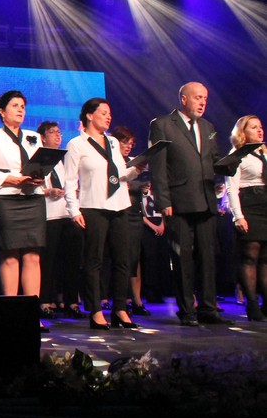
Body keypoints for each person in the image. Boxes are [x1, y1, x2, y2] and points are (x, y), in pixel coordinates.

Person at [149, 82, 233, 326]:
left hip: (205, 201)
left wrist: (231, 162)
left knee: (208, 257)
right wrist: (163, 200)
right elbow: (158, 166)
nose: (202, 102)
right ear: (183, 99)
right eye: (198, 97)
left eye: (205, 98)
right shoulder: (162, 124)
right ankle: (187, 310)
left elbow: (214, 159)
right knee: (183, 258)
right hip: (179, 202)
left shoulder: (208, 127)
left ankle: (208, 308)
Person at [63, 98, 140, 330]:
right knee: (94, 261)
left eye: (109, 113)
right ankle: (95, 310)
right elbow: (70, 180)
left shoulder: (113, 142)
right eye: (104, 113)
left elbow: (120, 174)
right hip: (93, 206)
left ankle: (120, 309)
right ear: (89, 115)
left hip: (119, 205)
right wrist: (73, 209)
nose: (108, 117)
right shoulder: (77, 144)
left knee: (122, 260)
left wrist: (137, 169)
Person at [0, 90, 46, 327]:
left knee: (33, 256)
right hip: (7, 198)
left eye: (23, 106)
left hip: (33, 198)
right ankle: (11, 313)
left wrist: (40, 177)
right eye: (15, 105)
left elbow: (42, 165)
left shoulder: (33, 136)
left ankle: (32, 314)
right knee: (10, 254)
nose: (20, 110)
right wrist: (11, 179)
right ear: (2, 111)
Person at [37, 121, 83, 319]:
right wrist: (49, 191)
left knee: (71, 260)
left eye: (59, 132)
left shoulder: (62, 159)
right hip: (49, 215)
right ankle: (45, 300)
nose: (57, 136)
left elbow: (70, 183)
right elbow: (32, 187)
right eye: (52, 132)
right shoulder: (38, 158)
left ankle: (70, 300)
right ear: (42, 137)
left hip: (67, 213)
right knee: (48, 261)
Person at [225, 115, 267, 321]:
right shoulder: (237, 154)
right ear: (243, 132)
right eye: (253, 127)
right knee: (250, 256)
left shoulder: (264, 152)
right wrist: (238, 216)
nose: (259, 130)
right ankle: (251, 304)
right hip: (249, 204)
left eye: (260, 127)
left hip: (265, 203)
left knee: (265, 258)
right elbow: (231, 188)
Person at [113, 125, 151, 316]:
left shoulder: (133, 162)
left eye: (131, 143)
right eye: (125, 142)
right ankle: (121, 299)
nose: (128, 146)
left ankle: (136, 300)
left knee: (135, 258)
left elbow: (139, 183)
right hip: (120, 211)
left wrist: (142, 187)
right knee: (121, 257)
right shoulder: (112, 161)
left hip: (135, 213)